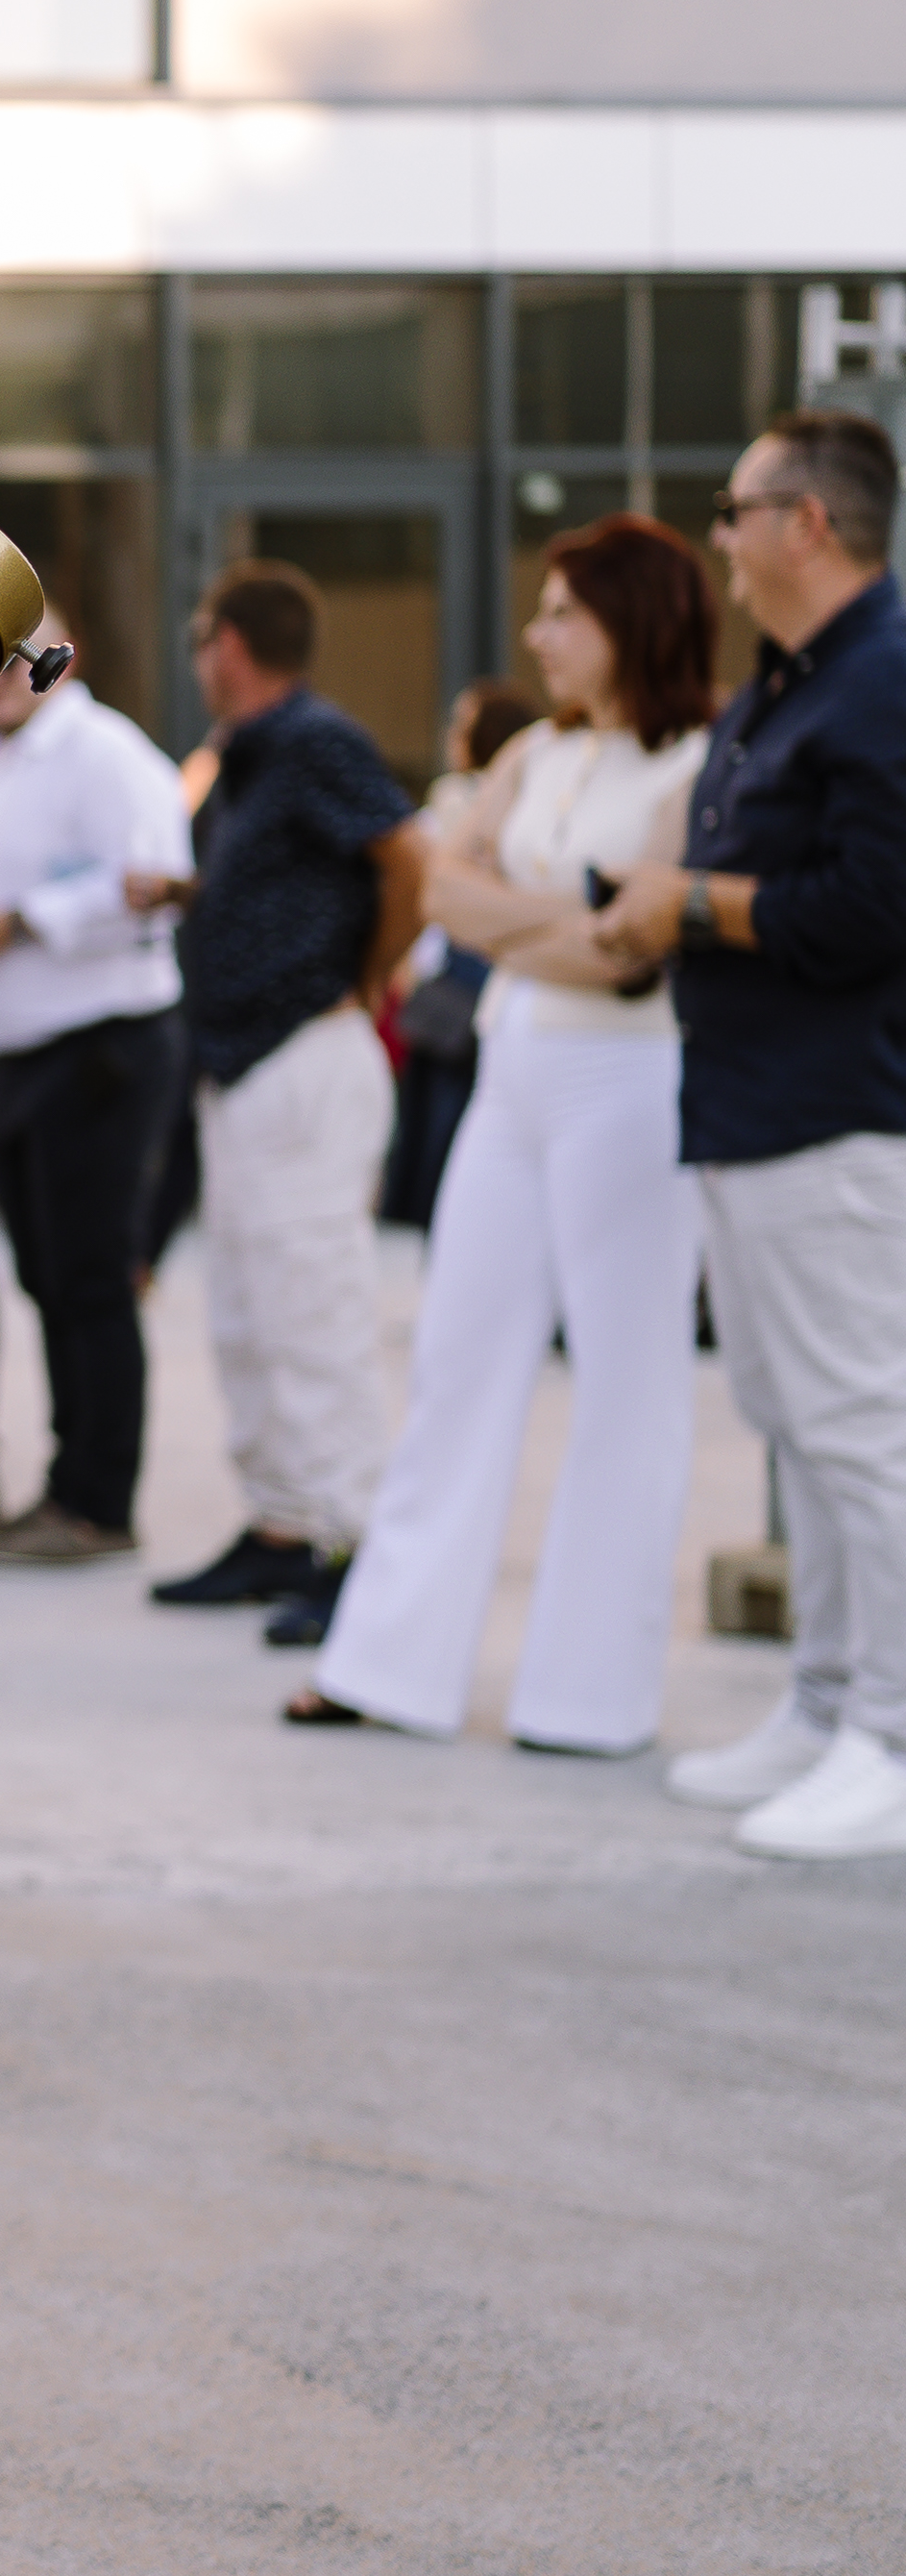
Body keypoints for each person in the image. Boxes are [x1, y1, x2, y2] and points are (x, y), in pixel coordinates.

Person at [287, 522, 716, 1753]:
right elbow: (445, 892)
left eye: (561, 613)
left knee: (627, 1387)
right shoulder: (532, 751)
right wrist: (564, 922)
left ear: (631, 621)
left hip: (630, 1084)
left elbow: (630, 958)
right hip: (516, 1069)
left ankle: (590, 1697)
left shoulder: (696, 762)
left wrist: (521, 922)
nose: (536, 635)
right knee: (455, 1361)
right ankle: (387, 1667)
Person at [590, 408, 906, 1858]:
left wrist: (687, 905)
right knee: (795, 1421)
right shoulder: (784, 688)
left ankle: (886, 1733)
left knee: (856, 1434)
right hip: (750, 1104)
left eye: (733, 509)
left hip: (836, 1109)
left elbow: (867, 908)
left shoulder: (881, 676)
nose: (716, 536)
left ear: (808, 524)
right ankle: (827, 1699)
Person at [145, 567, 429, 1650]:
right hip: (244, 1065)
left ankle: (353, 1547)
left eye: (199, 635)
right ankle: (280, 1525)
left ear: (231, 645)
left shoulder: (314, 737)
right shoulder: (249, 755)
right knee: (248, 1313)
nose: (194, 654)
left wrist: (369, 979)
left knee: (311, 1311)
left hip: (303, 1056)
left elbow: (408, 858)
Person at [0, 607, 197, 1564]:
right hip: (16, 1059)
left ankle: (97, 1502)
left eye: (12, 655)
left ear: (56, 655)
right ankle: (64, 1483)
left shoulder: (104, 753)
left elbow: (154, 878)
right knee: (46, 1278)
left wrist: (18, 921)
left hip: (97, 1052)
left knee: (87, 1281)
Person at [380, 683, 542, 1232]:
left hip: (482, 999)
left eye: (461, 725)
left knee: (453, 1153)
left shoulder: (461, 801)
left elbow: (432, 888)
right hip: (483, 1000)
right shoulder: (522, 795)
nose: (452, 738)